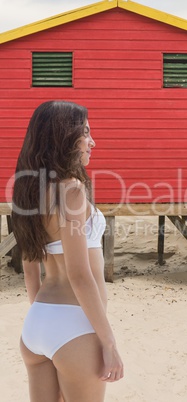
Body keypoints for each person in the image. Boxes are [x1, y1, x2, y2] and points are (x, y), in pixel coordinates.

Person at [12, 100, 123, 402]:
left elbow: (31, 267)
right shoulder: (71, 190)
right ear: (65, 136)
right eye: (86, 133)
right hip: (74, 326)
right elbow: (79, 275)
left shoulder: (29, 192)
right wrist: (109, 342)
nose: (92, 142)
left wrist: (44, 322)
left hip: (37, 323)